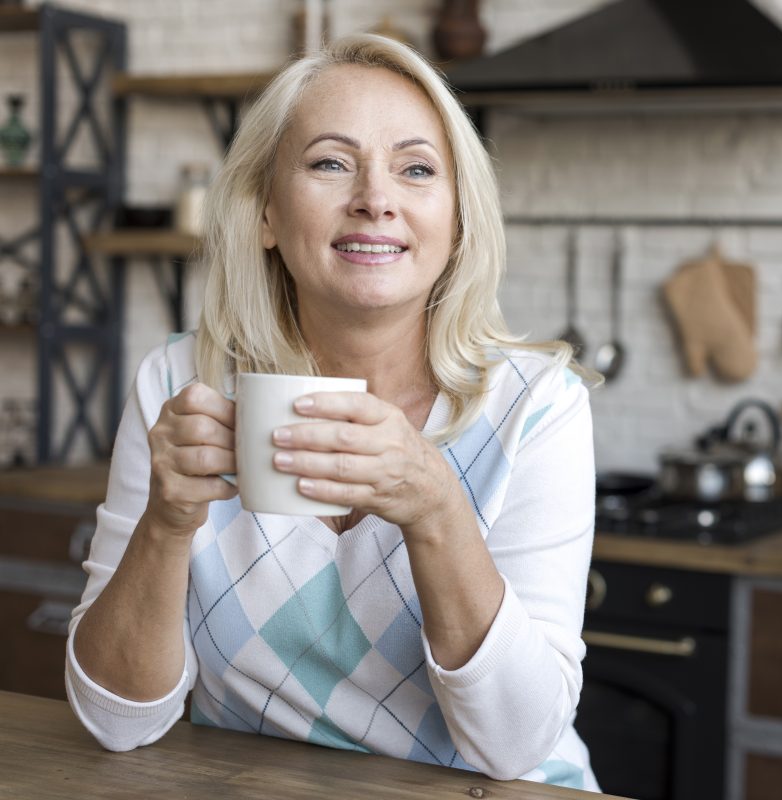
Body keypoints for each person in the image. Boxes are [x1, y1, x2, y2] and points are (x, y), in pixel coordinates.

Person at [65, 33, 600, 791]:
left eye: (416, 169)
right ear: (265, 215)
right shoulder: (184, 383)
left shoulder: (535, 407)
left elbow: (514, 747)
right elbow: (117, 723)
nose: (375, 198)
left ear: (458, 223)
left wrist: (437, 507)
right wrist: (165, 524)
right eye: (329, 163)